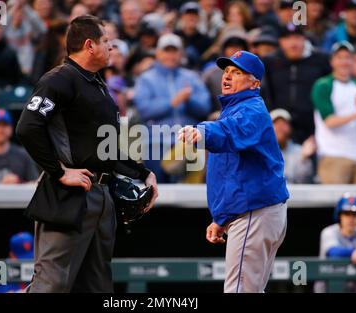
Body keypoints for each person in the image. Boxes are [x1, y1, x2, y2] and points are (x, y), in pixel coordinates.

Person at [16, 15, 158, 293]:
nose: (112, 47)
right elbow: (27, 127)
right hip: (68, 195)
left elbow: (108, 148)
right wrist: (59, 172)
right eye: (107, 41)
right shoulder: (59, 78)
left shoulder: (98, 84)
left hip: (102, 196)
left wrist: (143, 173)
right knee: (52, 284)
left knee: (97, 287)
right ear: (90, 45)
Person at [179, 51, 289, 293]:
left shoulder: (252, 109)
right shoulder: (236, 108)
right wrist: (221, 218)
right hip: (255, 212)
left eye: (237, 72)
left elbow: (229, 132)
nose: (227, 76)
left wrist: (204, 132)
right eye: (226, 71)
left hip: (254, 212)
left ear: (254, 83)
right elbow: (233, 171)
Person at [133, 33, 210, 183]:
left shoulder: (191, 77)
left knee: (189, 196)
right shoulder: (146, 78)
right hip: (156, 143)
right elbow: (144, 109)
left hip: (188, 145)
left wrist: (189, 100)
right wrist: (172, 102)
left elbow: (205, 108)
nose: (170, 55)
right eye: (166, 51)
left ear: (181, 54)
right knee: (157, 193)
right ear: (158, 53)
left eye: (174, 51)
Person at [312, 41, 356, 184]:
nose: (344, 62)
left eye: (348, 58)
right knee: (333, 204)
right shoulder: (323, 85)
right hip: (333, 155)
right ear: (332, 61)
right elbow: (329, 122)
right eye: (340, 58)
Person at [262, 23, 331, 144]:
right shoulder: (271, 62)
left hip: (313, 130)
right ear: (281, 41)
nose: (293, 44)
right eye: (288, 38)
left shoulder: (321, 61)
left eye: (297, 38)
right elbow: (266, 93)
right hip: (278, 128)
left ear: (304, 39)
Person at [315, 193, 356, 293]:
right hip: (328, 289)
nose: (351, 219)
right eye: (347, 214)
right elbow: (333, 253)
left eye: (355, 214)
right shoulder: (329, 232)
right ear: (340, 216)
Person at [270, 109, 315, 184]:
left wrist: (304, 159)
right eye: (276, 123)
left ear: (290, 128)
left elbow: (304, 182)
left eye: (284, 124)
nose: (280, 128)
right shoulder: (262, 152)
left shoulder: (300, 151)